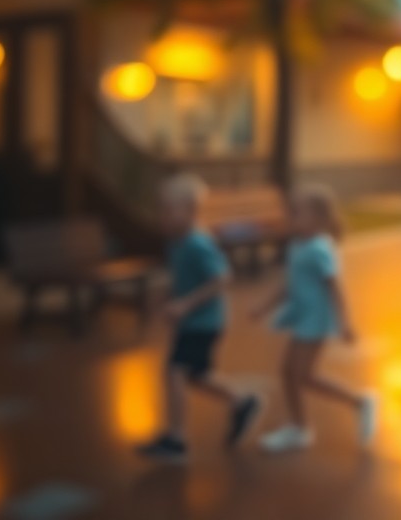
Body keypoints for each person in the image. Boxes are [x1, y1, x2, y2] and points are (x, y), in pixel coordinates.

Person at [137, 173, 260, 462]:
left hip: (204, 323)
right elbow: (186, 279)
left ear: (190, 211)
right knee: (197, 375)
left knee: (175, 371)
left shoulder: (197, 243)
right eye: (160, 209)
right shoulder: (176, 242)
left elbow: (222, 278)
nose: (162, 216)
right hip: (194, 322)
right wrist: (169, 297)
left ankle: (176, 439)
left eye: (168, 210)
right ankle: (242, 401)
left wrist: (186, 304)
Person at [255, 184, 376, 453]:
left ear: (319, 219)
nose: (291, 218)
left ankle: (319, 420)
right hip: (303, 318)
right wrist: (264, 307)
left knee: (297, 374)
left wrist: (345, 322)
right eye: (290, 212)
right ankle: (308, 423)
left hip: (316, 321)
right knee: (296, 374)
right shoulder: (298, 245)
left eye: (297, 213)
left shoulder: (319, 249)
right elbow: (290, 284)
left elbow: (335, 286)